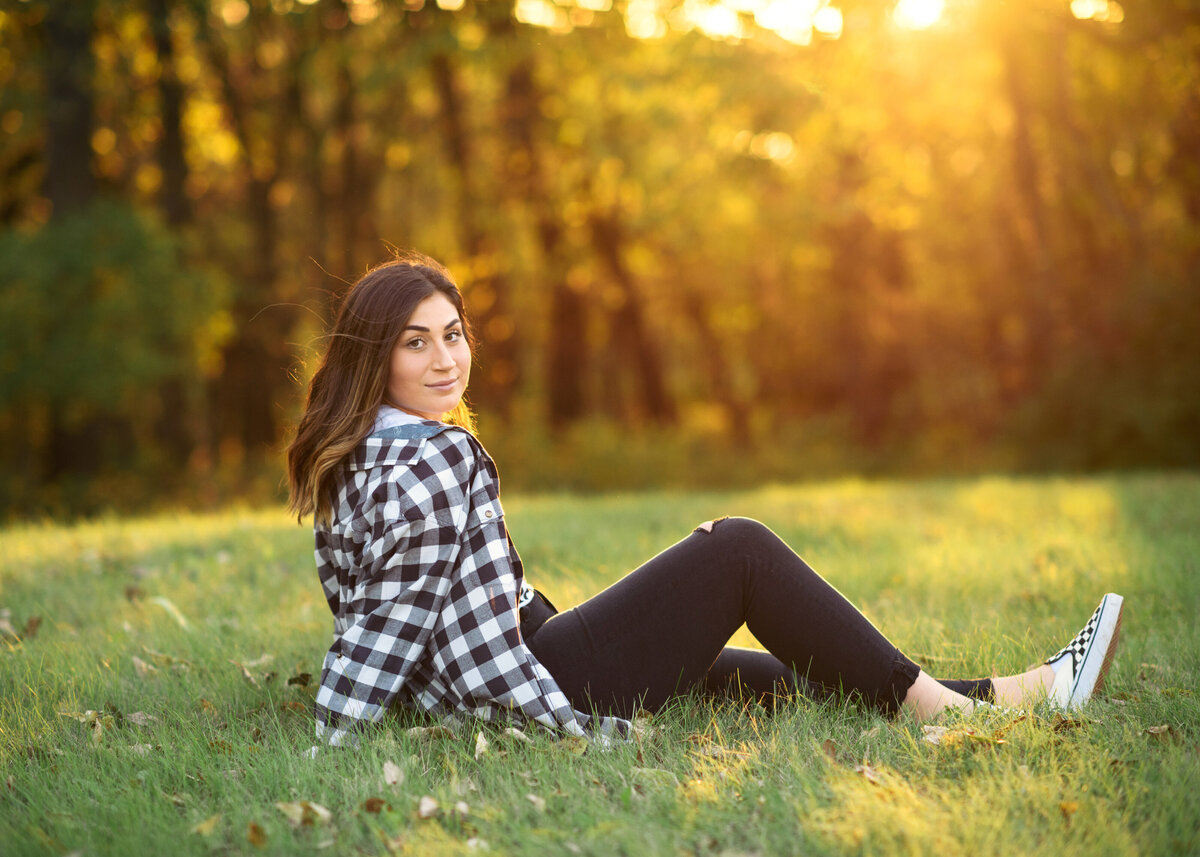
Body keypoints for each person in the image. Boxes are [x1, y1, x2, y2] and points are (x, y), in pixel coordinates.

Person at [286, 254, 1125, 747]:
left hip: (539, 642)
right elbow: (386, 621)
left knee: (790, 677)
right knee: (738, 546)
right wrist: (339, 726)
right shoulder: (431, 457)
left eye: (454, 333)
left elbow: (369, 600)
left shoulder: (358, 452)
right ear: (376, 357)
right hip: (547, 673)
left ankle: (1010, 694)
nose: (445, 361)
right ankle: (956, 709)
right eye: (416, 343)